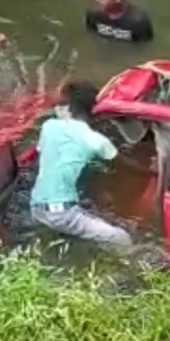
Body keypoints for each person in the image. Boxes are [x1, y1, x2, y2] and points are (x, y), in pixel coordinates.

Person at [30, 80, 133, 246]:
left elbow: (48, 155)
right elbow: (123, 165)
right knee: (122, 238)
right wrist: (151, 171)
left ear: (67, 107)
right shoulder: (95, 141)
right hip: (62, 214)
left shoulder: (48, 127)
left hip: (37, 207)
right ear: (92, 110)